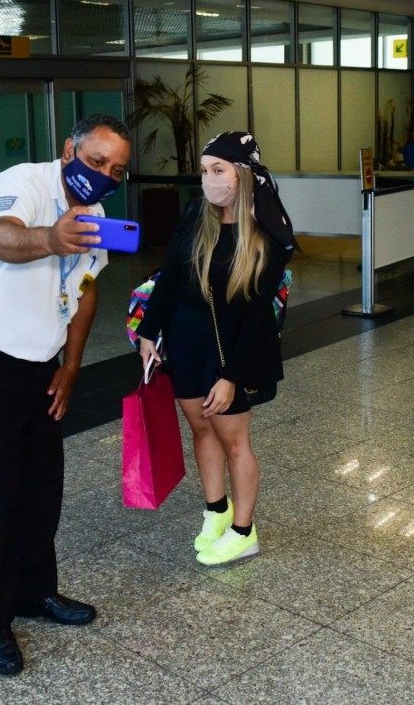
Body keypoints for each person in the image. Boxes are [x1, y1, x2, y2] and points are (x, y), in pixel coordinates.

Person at [0, 114, 130, 676]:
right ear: (69, 148)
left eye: (115, 171)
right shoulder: (22, 182)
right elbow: (2, 238)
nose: (102, 176)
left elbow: (87, 290)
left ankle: (34, 591)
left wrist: (72, 366)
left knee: (43, 486)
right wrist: (51, 237)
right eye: (95, 160)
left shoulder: (95, 215)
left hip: (42, 365)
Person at [135, 131, 296, 567]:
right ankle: (217, 511)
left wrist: (232, 377)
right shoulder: (197, 217)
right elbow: (169, 276)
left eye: (218, 170)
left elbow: (259, 319)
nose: (208, 179)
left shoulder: (265, 237)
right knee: (201, 430)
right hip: (186, 345)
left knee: (235, 440)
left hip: (232, 355)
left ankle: (245, 531)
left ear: (242, 174)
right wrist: (149, 331)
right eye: (205, 171)